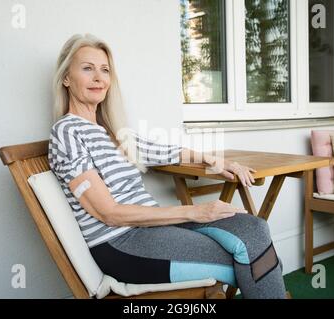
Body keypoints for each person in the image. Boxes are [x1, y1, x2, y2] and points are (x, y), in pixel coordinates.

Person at [48, 34, 286, 299]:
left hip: (152, 230)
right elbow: (109, 213)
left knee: (254, 230)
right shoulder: (67, 132)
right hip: (123, 244)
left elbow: (164, 152)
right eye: (87, 68)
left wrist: (216, 161)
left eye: (105, 70)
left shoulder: (111, 132)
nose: (99, 77)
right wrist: (195, 212)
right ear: (66, 78)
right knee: (255, 258)